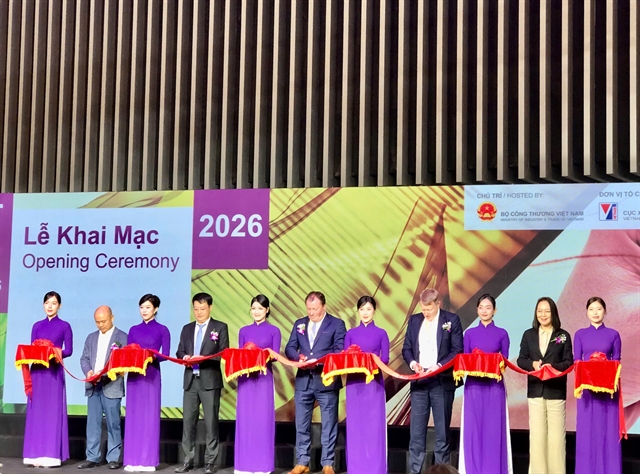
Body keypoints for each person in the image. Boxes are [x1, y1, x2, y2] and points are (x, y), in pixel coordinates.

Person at [401, 288, 463, 474]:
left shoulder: (451, 320)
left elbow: (457, 350)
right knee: (416, 434)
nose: (425, 313)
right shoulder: (414, 320)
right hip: (420, 382)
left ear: (438, 304)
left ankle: (442, 471)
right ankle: (414, 471)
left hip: (441, 382)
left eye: (429, 309)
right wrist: (413, 364)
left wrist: (439, 366)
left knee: (442, 434)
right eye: (423, 309)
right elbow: (406, 348)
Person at [284, 291, 346, 474]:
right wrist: (299, 357)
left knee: (329, 423)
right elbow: (289, 348)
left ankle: (327, 463)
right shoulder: (300, 323)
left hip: (326, 380)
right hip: (304, 381)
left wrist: (318, 362)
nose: (311, 313)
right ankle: (302, 461)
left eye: (315, 309)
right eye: (309, 309)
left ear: (324, 307)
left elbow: (339, 350)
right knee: (301, 423)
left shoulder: (336, 324)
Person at [517, 296, 573, 474]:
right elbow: (521, 360)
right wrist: (533, 364)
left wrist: (552, 367)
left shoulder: (563, 335)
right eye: (539, 311)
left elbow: (569, 362)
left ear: (553, 313)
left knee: (556, 439)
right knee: (537, 438)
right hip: (535, 391)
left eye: (547, 311)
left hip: (556, 391)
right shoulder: (528, 335)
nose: (543, 315)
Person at [175, 293, 229, 474]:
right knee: (188, 423)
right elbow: (179, 351)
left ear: (210, 308)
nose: (199, 312)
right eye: (196, 309)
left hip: (210, 381)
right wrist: (185, 357)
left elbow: (223, 352)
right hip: (190, 381)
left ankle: (209, 462)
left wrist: (203, 358)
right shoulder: (187, 328)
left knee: (211, 423)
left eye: (202, 309)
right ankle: (187, 460)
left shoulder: (220, 327)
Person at [459, 294, 511, 474]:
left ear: (494, 310)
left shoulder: (502, 333)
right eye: (481, 307)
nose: (484, 311)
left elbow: (504, 360)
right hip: (473, 387)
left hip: (494, 387)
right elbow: (465, 359)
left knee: (494, 429)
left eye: (488, 307)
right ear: (477, 310)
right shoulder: (469, 334)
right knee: (473, 429)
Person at [23, 291, 73, 467]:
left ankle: (51, 456)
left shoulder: (65, 326)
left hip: (53, 373)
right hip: (37, 373)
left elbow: (69, 350)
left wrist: (53, 352)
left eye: (54, 303)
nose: (50, 306)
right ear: (43, 305)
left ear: (60, 305)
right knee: (36, 412)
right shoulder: (37, 326)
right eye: (47, 303)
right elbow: (32, 349)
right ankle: (34, 455)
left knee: (52, 412)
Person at [573, 297, 622, 474]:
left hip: (607, 393)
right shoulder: (580, 334)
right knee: (587, 432)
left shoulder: (613, 334)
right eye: (591, 309)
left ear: (605, 311)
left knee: (608, 432)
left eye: (599, 309)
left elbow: (617, 362)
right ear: (587, 312)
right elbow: (577, 362)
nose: (595, 312)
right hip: (587, 392)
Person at [122, 294, 171, 472]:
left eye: (148, 307)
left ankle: (148, 461)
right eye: (142, 307)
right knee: (133, 417)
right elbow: (128, 352)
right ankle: (132, 460)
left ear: (156, 309)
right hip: (135, 377)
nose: (144, 311)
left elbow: (165, 355)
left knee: (149, 417)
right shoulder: (133, 329)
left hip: (151, 375)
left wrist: (150, 355)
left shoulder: (162, 330)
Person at [234, 294, 282, 474]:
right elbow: (239, 355)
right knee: (246, 420)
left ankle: (262, 466)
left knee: (262, 420)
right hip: (246, 379)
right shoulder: (244, 331)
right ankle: (244, 466)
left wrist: (259, 354)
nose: (256, 312)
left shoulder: (274, 331)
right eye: (253, 308)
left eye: (260, 308)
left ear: (267, 310)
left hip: (263, 378)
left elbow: (275, 356)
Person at [78, 306, 128, 470]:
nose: (100, 325)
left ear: (112, 318)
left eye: (103, 321)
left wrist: (104, 374)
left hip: (111, 385)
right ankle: (92, 456)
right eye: (97, 322)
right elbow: (84, 358)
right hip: (93, 385)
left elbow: (123, 362)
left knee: (113, 423)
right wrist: (89, 372)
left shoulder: (122, 337)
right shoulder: (91, 337)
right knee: (93, 423)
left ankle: (113, 457)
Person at [343, 296, 390, 474]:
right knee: (355, 426)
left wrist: (368, 363)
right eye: (362, 309)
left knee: (373, 427)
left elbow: (385, 359)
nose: (365, 313)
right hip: (354, 384)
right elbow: (345, 359)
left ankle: (375, 468)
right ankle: (356, 468)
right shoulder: (350, 333)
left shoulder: (381, 333)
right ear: (358, 311)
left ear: (374, 311)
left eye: (368, 309)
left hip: (373, 384)